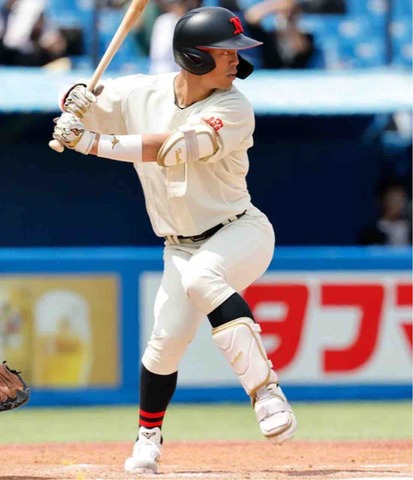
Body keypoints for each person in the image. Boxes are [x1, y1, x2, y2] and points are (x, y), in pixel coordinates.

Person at [52, 6, 297, 474]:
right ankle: (148, 438)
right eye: (225, 51)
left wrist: (91, 143)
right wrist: (75, 97)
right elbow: (85, 99)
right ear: (194, 57)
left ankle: (265, 391)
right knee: (164, 344)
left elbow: (172, 149)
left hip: (239, 230)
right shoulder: (141, 91)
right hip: (178, 245)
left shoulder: (233, 107)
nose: (236, 60)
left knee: (205, 276)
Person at [243, 0, 315, 69]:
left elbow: (301, 48)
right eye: (282, 13)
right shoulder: (268, 36)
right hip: (268, 76)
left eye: (292, 13)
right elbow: (250, 17)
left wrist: (290, 22)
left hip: (300, 76)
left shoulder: (307, 37)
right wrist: (275, 5)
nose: (287, 15)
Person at [0, 0, 67, 67]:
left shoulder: (32, 5)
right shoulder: (6, 8)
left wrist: (47, 43)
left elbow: (50, 37)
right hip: (15, 52)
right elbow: (12, 42)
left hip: (30, 54)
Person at [149, 0, 202, 74]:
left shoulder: (194, 22)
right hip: (159, 72)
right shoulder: (162, 21)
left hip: (180, 73)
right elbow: (158, 53)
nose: (177, 7)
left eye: (180, 4)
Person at [358, 180, 412, 246]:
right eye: (393, 199)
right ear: (381, 201)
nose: (398, 204)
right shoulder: (370, 233)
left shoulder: (410, 229)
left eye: (401, 199)